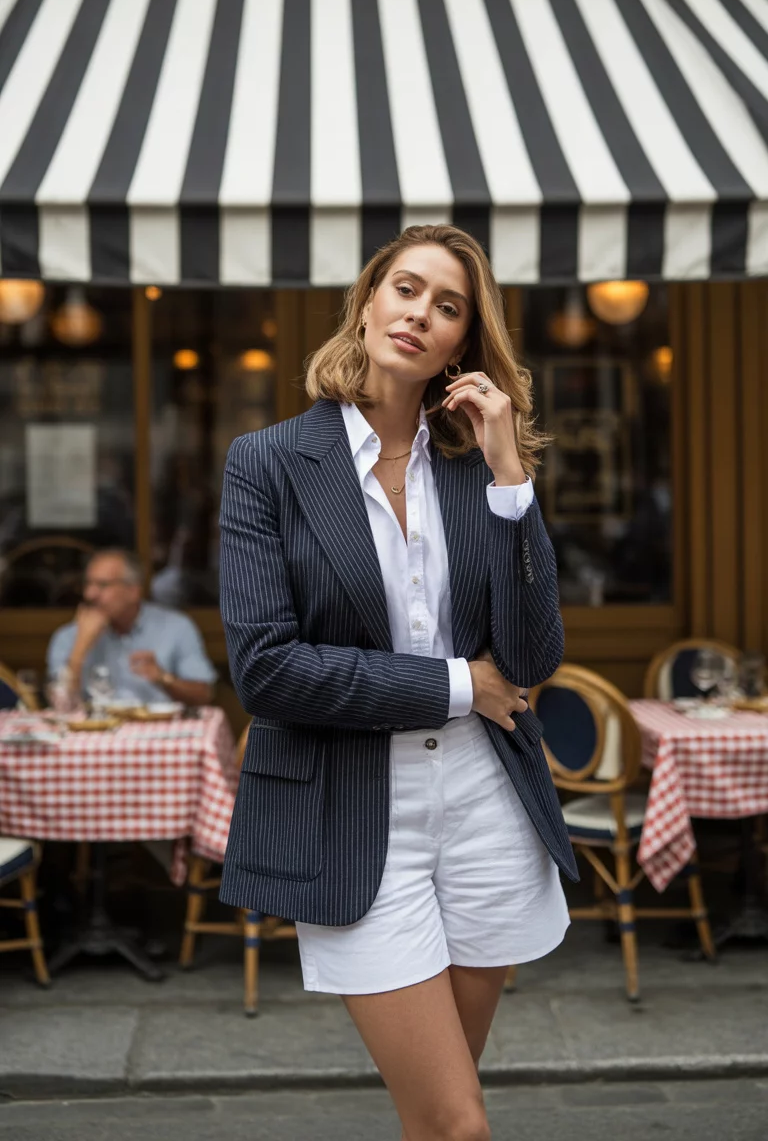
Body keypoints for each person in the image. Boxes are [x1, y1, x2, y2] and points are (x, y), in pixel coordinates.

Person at [218, 225, 578, 1141]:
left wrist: (509, 473)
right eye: (407, 289)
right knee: (459, 1123)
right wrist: (462, 685)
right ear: (369, 300)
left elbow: (531, 659)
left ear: (464, 343)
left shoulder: (472, 469)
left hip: (487, 810)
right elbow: (268, 669)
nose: (421, 313)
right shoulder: (267, 465)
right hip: (352, 813)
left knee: (436, 1120)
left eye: (448, 306)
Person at [47, 549, 217, 709]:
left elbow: (204, 695)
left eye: (103, 585)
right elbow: (61, 706)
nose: (90, 594)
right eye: (88, 584)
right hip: (94, 737)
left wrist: (163, 678)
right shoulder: (68, 636)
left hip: (158, 734)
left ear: (133, 591)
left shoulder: (176, 626)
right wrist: (80, 648)